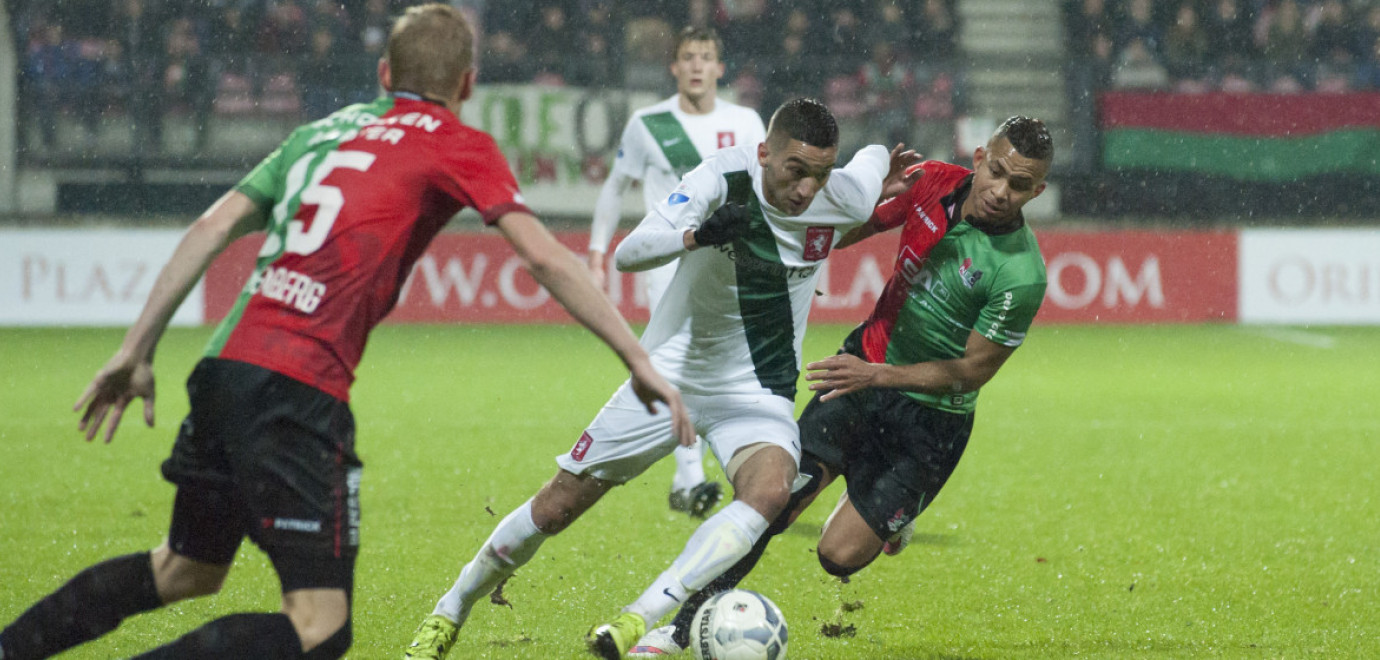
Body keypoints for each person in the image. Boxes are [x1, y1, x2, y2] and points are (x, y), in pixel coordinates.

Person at [0, 6, 689, 660]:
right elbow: (541, 255)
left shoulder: (319, 133)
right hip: (296, 388)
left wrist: (135, 349)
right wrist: (635, 355)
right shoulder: (457, 143)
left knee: (185, 567)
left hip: (223, 369)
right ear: (468, 84)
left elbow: (211, 227)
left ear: (385, 75)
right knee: (320, 627)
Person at [405, 98, 921, 660]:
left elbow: (871, 162)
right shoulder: (721, 176)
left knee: (771, 489)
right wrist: (696, 236)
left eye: (821, 175)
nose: (806, 190)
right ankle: (448, 611)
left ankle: (637, 620)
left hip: (757, 388)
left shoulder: (841, 191)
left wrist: (877, 176)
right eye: (796, 171)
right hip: (671, 376)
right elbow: (630, 254)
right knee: (555, 508)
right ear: (765, 152)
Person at [629, 116, 1054, 657]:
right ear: (978, 157)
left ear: (1037, 190)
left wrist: (881, 376)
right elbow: (844, 229)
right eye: (997, 172)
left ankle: (893, 521)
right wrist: (818, 243)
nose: (1001, 191)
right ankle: (677, 630)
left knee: (838, 556)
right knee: (771, 503)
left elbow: (973, 370)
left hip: (932, 420)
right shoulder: (930, 181)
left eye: (1020, 186)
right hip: (858, 374)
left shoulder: (1022, 273)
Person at [587, 26, 767, 518]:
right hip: (669, 257)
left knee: (710, 362)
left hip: (726, 261)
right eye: (688, 56)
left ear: (719, 67)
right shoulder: (648, 124)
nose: (695, 65)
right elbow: (615, 187)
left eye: (705, 56)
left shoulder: (747, 123)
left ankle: (687, 472)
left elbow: (768, 191)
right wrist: (598, 251)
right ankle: (691, 475)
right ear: (674, 66)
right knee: (680, 359)